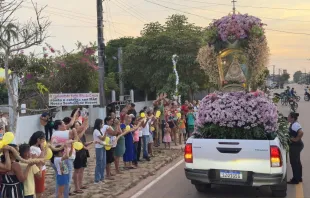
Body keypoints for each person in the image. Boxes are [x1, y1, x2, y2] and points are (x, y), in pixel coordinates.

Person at [51, 113, 79, 198]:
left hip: (58, 160)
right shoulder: (61, 133)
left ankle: (59, 195)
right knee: (67, 181)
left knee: (59, 181)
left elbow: (70, 123)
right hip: (64, 160)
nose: (65, 125)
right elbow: (76, 139)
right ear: (59, 126)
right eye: (63, 124)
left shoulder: (56, 133)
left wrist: (74, 116)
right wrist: (74, 130)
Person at [287, 112, 304, 184]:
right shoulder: (294, 124)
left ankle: (295, 179)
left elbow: (301, 132)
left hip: (296, 146)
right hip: (297, 145)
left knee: (294, 163)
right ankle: (299, 177)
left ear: (292, 118)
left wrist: (296, 139)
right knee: (297, 162)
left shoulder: (295, 125)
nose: (288, 118)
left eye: (289, 117)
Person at [29, 131, 46, 198]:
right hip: (38, 170)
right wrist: (42, 151)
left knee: (41, 190)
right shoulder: (33, 148)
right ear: (38, 139)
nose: (44, 141)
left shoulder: (38, 148)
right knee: (39, 190)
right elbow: (37, 161)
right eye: (43, 139)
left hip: (42, 169)